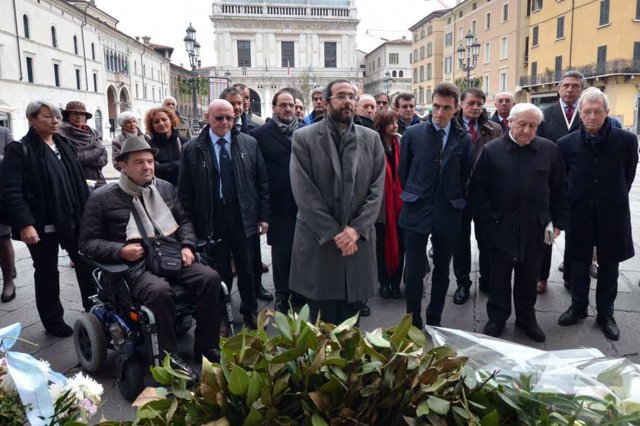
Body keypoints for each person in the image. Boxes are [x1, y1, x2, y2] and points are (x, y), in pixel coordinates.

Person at [79, 136, 222, 378]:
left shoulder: (164, 188)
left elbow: (183, 220)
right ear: (122, 165)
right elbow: (87, 243)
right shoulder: (102, 198)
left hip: (169, 254)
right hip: (133, 267)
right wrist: (119, 250)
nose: (147, 167)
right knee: (159, 292)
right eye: (139, 162)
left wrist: (187, 246)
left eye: (150, 161)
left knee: (210, 277)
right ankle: (169, 358)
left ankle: (207, 346)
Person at [470, 103, 568, 342]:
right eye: (522, 124)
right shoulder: (492, 150)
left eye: (532, 125)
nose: (526, 130)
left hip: (535, 227)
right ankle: (497, 317)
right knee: (499, 276)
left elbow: (560, 189)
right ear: (511, 123)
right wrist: (488, 220)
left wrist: (557, 223)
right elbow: (477, 189)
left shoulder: (549, 150)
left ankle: (526, 318)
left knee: (529, 275)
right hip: (500, 225)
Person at [289, 79, 385, 325]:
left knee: (352, 325)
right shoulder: (303, 137)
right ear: (325, 101)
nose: (348, 101)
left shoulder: (371, 138)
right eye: (341, 96)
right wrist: (335, 234)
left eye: (352, 96)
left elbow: (376, 189)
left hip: (358, 242)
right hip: (320, 242)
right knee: (321, 326)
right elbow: (304, 193)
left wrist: (355, 230)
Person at [0, 100, 95, 337]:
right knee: (46, 271)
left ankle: (94, 311)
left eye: (57, 117)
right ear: (31, 120)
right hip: (42, 225)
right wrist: (25, 224)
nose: (55, 121)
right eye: (47, 116)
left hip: (73, 218)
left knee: (85, 264)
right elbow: (10, 191)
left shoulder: (64, 144)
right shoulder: (19, 149)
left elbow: (77, 182)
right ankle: (53, 321)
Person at [178, 99, 270, 330]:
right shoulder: (192, 148)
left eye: (230, 118)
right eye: (219, 118)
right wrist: (188, 224)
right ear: (207, 117)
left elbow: (262, 182)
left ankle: (250, 310)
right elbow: (185, 191)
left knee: (248, 267)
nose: (226, 122)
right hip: (211, 216)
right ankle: (220, 314)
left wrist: (263, 216)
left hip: (243, 213)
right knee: (217, 269)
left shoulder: (249, 143)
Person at [557, 88, 638, 341]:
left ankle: (606, 314)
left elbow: (628, 174)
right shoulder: (566, 143)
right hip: (579, 212)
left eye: (597, 112)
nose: (592, 116)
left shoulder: (625, 140)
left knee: (609, 266)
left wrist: (611, 196)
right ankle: (578, 307)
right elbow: (564, 178)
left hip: (611, 213)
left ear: (607, 113)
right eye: (587, 112)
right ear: (580, 114)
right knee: (578, 263)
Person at [398, 83, 471, 328]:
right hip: (416, 208)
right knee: (414, 269)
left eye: (446, 108)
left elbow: (465, 175)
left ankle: (435, 317)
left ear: (456, 108)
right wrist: (416, 191)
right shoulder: (413, 134)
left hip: (448, 210)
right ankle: (412, 319)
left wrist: (454, 197)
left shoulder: (463, 139)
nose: (439, 113)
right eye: (436, 107)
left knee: (442, 268)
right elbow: (404, 171)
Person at [252, 89, 305, 313]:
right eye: (282, 105)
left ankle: (301, 292)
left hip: (304, 202)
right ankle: (282, 294)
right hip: (277, 204)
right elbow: (257, 174)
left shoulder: (306, 132)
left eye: (291, 105)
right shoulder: (260, 135)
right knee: (282, 253)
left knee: (302, 251)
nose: (287, 109)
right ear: (273, 107)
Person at [220, 87, 272, 302]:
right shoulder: (218, 126)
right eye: (232, 103)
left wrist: (262, 211)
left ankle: (256, 288)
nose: (238, 107)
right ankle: (227, 297)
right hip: (227, 203)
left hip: (250, 200)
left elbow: (262, 172)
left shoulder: (256, 128)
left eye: (240, 102)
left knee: (253, 254)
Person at [536, 71, 585, 294]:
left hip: (580, 184)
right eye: (565, 85)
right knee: (546, 232)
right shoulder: (546, 115)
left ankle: (571, 275)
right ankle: (541, 276)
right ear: (558, 88)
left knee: (577, 233)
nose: (569, 90)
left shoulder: (588, 113)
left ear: (581, 90)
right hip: (550, 184)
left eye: (575, 86)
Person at [451, 88, 502, 305]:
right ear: (461, 104)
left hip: (485, 194)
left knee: (487, 238)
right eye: (471, 103)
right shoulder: (451, 127)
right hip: (459, 193)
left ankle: (487, 280)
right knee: (460, 240)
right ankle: (463, 283)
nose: (475, 107)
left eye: (479, 103)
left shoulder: (494, 129)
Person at [374, 109, 404, 300]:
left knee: (401, 246)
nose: (395, 126)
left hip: (400, 205)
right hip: (381, 206)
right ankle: (384, 283)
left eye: (396, 122)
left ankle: (395, 283)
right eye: (391, 122)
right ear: (382, 125)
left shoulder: (401, 141)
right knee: (380, 246)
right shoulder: (374, 144)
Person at [57, 101, 108, 187]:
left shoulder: (93, 133)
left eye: (82, 114)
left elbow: (104, 159)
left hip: (98, 179)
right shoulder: (60, 135)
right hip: (75, 181)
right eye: (75, 114)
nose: (79, 116)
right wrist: (96, 153)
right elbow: (72, 158)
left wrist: (87, 160)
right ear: (68, 116)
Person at [144, 107, 183, 186]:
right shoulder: (148, 146)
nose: (161, 123)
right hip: (159, 190)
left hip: (183, 190)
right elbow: (152, 170)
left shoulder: (184, 142)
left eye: (164, 119)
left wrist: (163, 167)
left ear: (171, 121)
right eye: (156, 122)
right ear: (152, 126)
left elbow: (191, 166)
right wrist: (178, 164)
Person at [0, 126, 17, 303]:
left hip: (1, 194)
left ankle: (8, 281)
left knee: (3, 239)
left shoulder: (3, 133)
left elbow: (14, 160)